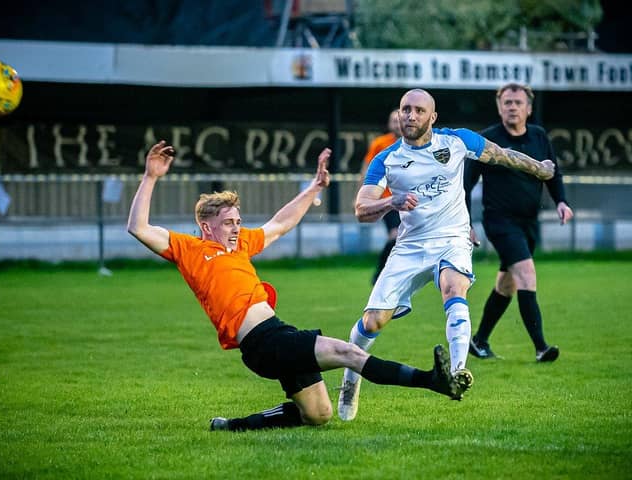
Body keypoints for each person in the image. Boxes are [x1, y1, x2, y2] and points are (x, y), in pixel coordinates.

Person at [127, 140, 460, 432]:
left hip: (277, 334)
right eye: (228, 223)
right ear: (206, 225)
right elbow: (138, 227)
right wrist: (151, 176)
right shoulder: (190, 250)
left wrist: (314, 188)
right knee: (347, 352)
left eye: (238, 221)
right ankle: (431, 380)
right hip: (261, 343)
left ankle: (233, 426)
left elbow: (280, 224)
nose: (236, 228)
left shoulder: (241, 243)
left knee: (318, 415)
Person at [337, 88, 556, 422]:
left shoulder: (456, 142)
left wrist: (539, 168)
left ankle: (457, 371)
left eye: (418, 110)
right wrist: (390, 202)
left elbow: (503, 155)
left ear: (432, 117)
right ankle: (351, 378)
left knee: (454, 288)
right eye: (405, 110)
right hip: (410, 246)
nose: (410, 116)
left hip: (452, 238)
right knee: (373, 321)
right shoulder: (387, 159)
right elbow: (361, 209)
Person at [464, 83, 574, 362]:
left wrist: (561, 201)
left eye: (518, 102)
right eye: (507, 102)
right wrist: (466, 222)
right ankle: (541, 348)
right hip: (500, 222)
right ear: (499, 107)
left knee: (507, 284)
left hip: (529, 222)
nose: (512, 107)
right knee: (527, 274)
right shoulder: (486, 140)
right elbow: (464, 185)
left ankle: (478, 341)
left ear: (529, 108)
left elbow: (553, 172)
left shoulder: (538, 136)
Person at [360, 109, 403, 284]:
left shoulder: (414, 144)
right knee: (395, 235)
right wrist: (362, 195)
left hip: (409, 199)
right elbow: (366, 167)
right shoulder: (380, 143)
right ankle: (380, 272)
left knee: (403, 238)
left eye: (398, 120)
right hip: (387, 200)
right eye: (393, 121)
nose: (396, 124)